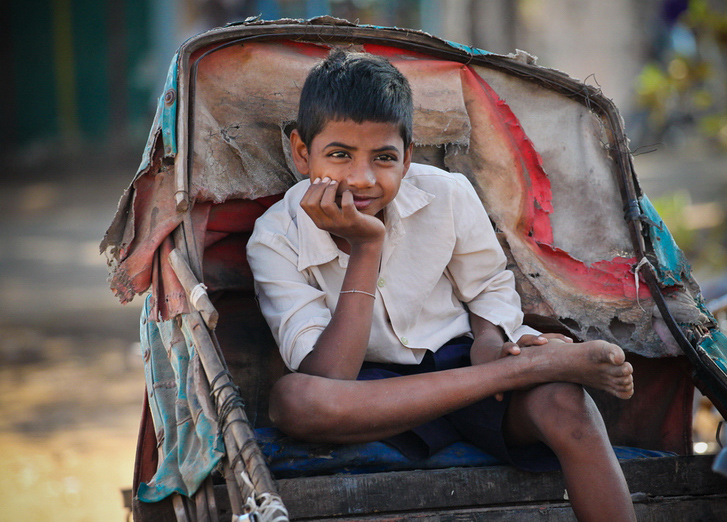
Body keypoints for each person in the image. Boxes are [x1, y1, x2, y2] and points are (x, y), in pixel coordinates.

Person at [247, 49, 637, 522]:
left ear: (408, 158)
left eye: (384, 157)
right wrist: (366, 248)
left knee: (565, 403)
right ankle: (529, 370)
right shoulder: (275, 237)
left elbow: (488, 286)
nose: (363, 178)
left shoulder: (447, 194)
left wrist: (492, 342)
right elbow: (330, 379)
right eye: (340, 155)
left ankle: (525, 374)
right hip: (371, 392)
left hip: (462, 366)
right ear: (302, 152)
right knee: (296, 401)